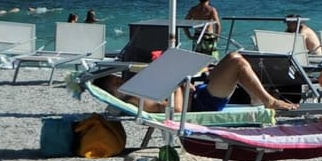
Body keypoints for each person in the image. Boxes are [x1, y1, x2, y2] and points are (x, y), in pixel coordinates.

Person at [101, 55, 299, 114]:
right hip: (204, 102)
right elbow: (177, 110)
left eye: (117, 78)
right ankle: (267, 100)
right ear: (111, 94)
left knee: (234, 57)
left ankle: (258, 97)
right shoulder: (136, 99)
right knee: (237, 63)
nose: (121, 80)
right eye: (115, 83)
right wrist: (180, 86)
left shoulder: (136, 90)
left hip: (201, 93)